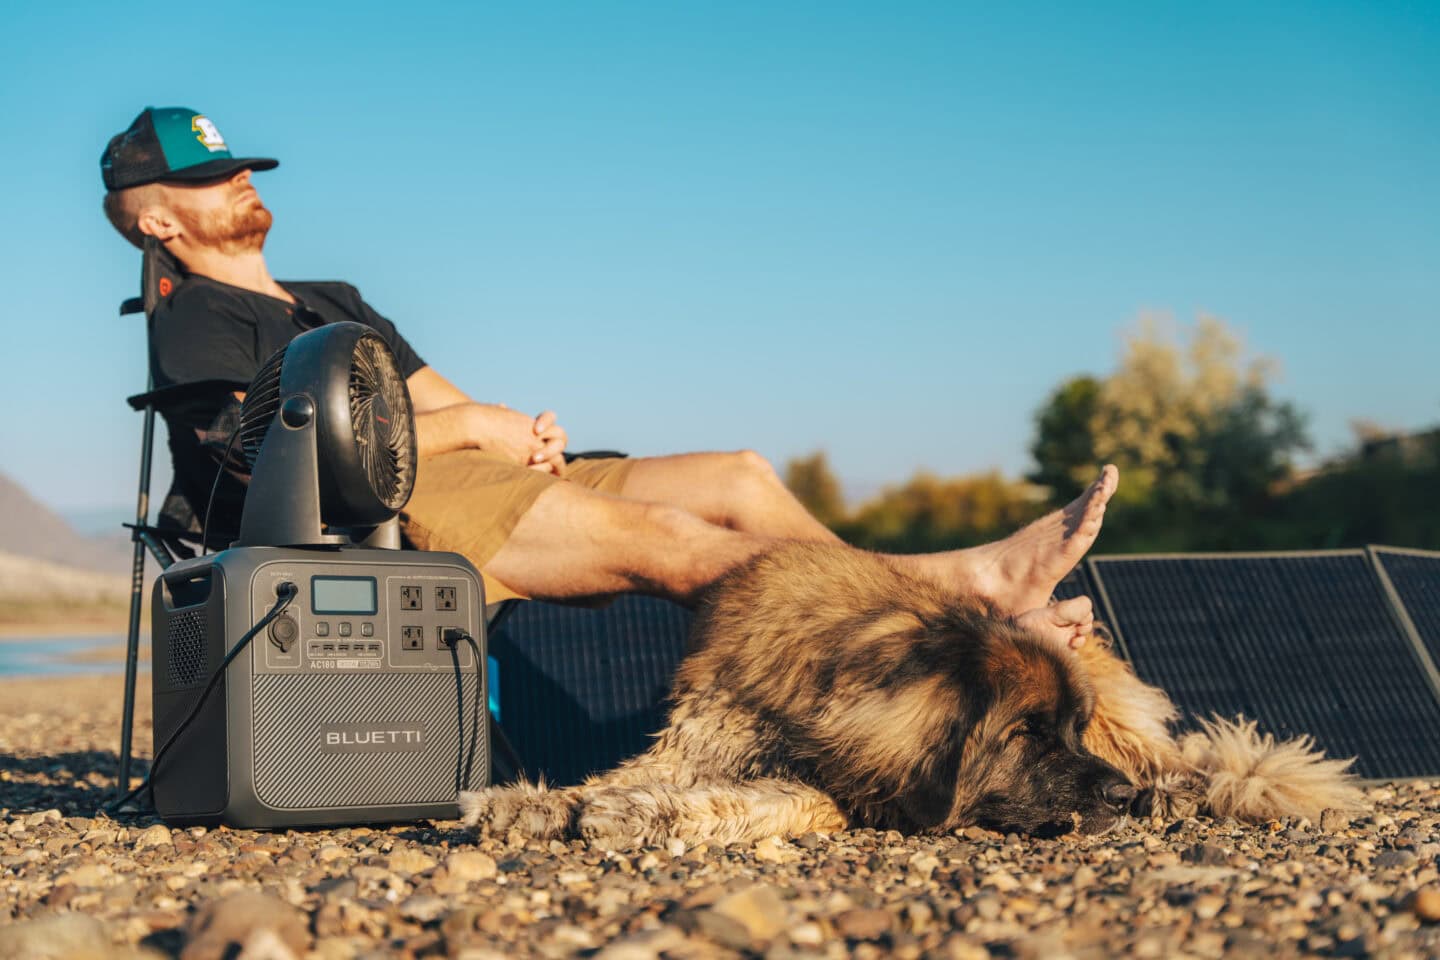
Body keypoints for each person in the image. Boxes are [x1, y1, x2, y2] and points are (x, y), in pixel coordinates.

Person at [101, 106, 1117, 647]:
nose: (237, 180)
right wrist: (473, 436)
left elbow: (441, 401)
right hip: (379, 510)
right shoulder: (195, 321)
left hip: (464, 471)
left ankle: (935, 625)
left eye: (235, 167)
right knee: (676, 546)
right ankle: (964, 601)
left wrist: (518, 436)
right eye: (204, 179)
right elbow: (248, 456)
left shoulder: (331, 297)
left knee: (738, 478)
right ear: (158, 219)